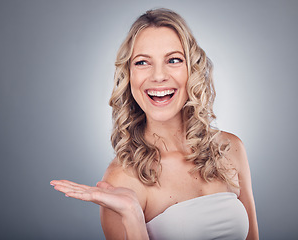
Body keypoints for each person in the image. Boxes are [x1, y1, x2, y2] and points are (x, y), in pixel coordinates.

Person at [50, 8, 259, 240]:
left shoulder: (231, 149)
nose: (159, 76)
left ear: (192, 70)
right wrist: (132, 215)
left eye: (173, 60)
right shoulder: (121, 179)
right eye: (142, 62)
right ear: (129, 77)